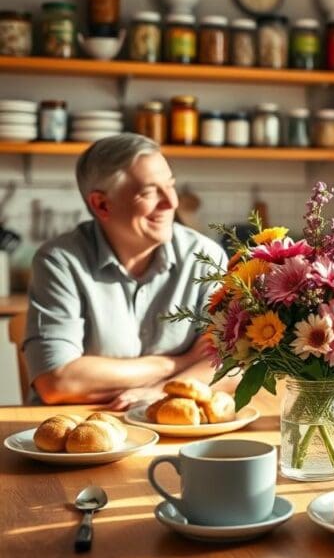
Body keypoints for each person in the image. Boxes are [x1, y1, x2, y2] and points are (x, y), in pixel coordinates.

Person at [24, 133, 228, 409]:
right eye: (149, 192)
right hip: (76, 432)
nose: (171, 202)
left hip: (174, 427)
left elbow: (229, 363)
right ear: (102, 205)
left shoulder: (205, 257)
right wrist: (179, 363)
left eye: (170, 186)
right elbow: (57, 382)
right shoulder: (59, 262)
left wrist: (158, 393)